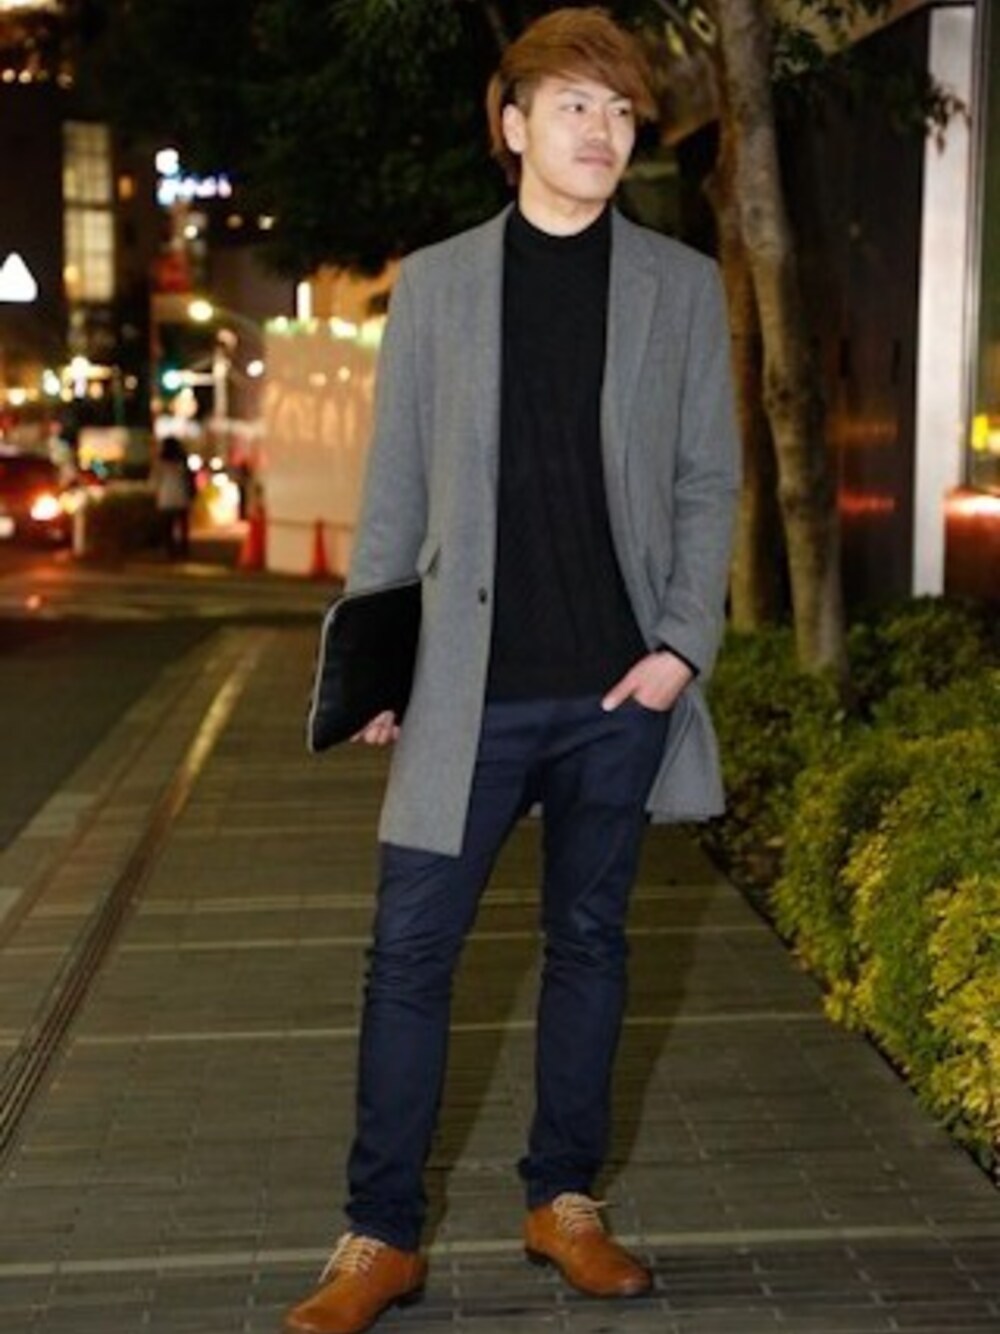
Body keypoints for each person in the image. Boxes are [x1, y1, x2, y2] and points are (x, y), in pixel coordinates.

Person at [284, 9, 740, 1333]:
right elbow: (395, 486)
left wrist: (679, 650)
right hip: (464, 691)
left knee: (589, 943)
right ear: (513, 123)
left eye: (620, 111)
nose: (602, 130)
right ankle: (380, 1234)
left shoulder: (677, 286)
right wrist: (374, 665)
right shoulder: (437, 286)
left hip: (616, 693)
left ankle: (564, 1201)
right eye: (574, 105)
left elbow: (708, 480)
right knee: (408, 954)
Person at [152, 434, 193, 559]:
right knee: (183, 526)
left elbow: (155, 481)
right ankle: (184, 550)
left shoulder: (160, 462)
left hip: (166, 497)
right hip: (181, 495)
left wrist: (155, 493)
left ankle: (170, 551)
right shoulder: (182, 460)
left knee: (168, 527)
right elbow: (188, 478)